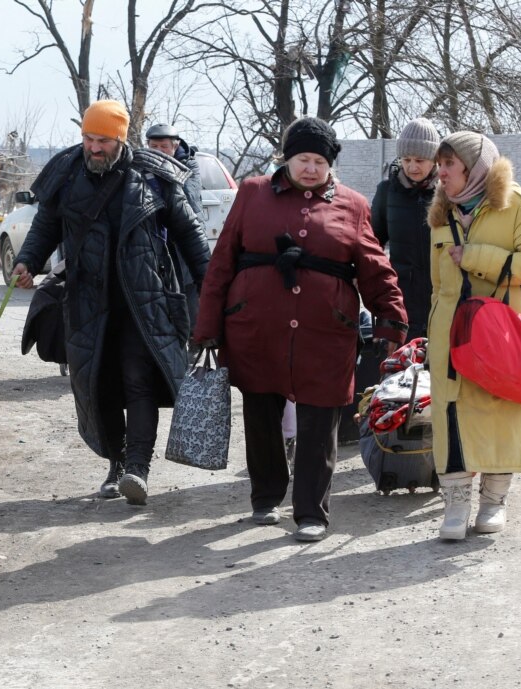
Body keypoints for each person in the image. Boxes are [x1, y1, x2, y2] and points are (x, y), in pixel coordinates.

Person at [193, 117, 407, 542]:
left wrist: (390, 319)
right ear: (286, 158)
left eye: (319, 161)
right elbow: (221, 264)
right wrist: (207, 327)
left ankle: (311, 511)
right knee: (261, 414)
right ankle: (267, 495)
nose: (310, 168)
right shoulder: (252, 194)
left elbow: (374, 267)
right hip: (256, 327)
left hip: (326, 330)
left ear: (331, 165)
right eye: (302, 159)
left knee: (319, 423)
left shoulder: (353, 204)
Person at [11, 100, 210, 505]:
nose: (94, 147)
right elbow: (45, 225)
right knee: (97, 386)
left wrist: (213, 289)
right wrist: (27, 260)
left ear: (120, 139)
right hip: (86, 301)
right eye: (88, 138)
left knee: (139, 381)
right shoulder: (67, 175)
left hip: (144, 301)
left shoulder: (153, 176)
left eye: (103, 140)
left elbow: (192, 237)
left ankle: (138, 468)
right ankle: (116, 466)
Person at [426, 131, 521, 540]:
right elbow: (436, 283)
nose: (439, 173)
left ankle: (493, 503)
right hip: (451, 333)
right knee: (452, 416)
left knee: (501, 412)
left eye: (449, 164)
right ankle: (456, 506)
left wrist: (475, 257)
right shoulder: (441, 212)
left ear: (474, 167)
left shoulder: (516, 203)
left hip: (502, 333)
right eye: (439, 164)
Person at [372, 117, 441, 338]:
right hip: (400, 297)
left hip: (442, 296)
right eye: (406, 159)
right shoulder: (386, 192)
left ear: (434, 160)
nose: (412, 167)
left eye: (420, 160)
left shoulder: (449, 195)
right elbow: (373, 242)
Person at [144, 123, 208, 335]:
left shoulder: (189, 166)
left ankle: (192, 339)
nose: (159, 152)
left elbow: (187, 201)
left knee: (187, 294)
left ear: (175, 146)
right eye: (154, 147)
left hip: (184, 240)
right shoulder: (142, 167)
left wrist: (163, 176)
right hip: (156, 242)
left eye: (164, 146)